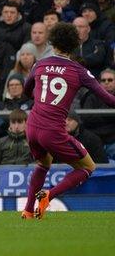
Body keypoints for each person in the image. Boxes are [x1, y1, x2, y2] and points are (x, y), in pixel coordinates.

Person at [21, 23, 115, 220]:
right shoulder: (79, 70)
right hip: (52, 131)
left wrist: (37, 98)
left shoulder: (40, 64)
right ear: (75, 44)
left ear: (52, 42)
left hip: (32, 127)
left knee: (43, 163)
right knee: (88, 167)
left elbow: (25, 91)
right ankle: (49, 195)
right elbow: (107, 98)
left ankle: (28, 211)